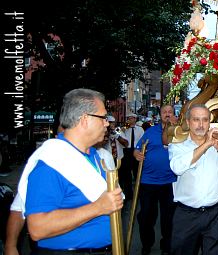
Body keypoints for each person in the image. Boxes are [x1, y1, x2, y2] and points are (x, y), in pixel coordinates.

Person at [23, 88, 123, 253]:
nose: (107, 123)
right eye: (103, 117)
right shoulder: (53, 161)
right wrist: (98, 207)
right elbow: (37, 228)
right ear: (85, 119)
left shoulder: (94, 156)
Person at [168, 104, 218, 255]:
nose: (201, 125)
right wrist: (207, 144)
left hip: (216, 212)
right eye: (196, 120)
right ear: (188, 122)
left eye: (205, 120)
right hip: (186, 213)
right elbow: (177, 167)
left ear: (209, 122)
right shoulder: (177, 145)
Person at [134, 105, 177, 255]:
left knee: (169, 217)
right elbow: (137, 149)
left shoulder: (178, 132)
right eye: (164, 112)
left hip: (170, 182)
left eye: (170, 112)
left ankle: (167, 245)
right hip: (148, 182)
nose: (167, 114)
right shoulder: (150, 132)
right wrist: (136, 154)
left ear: (174, 114)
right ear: (159, 115)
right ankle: (147, 244)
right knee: (146, 216)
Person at [120, 113, 144, 201]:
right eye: (128, 118)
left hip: (136, 150)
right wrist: (123, 130)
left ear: (135, 119)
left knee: (137, 171)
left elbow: (142, 140)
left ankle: (139, 193)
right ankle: (129, 193)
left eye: (131, 118)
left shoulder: (140, 129)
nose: (130, 120)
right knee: (126, 173)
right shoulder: (124, 129)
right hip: (127, 150)